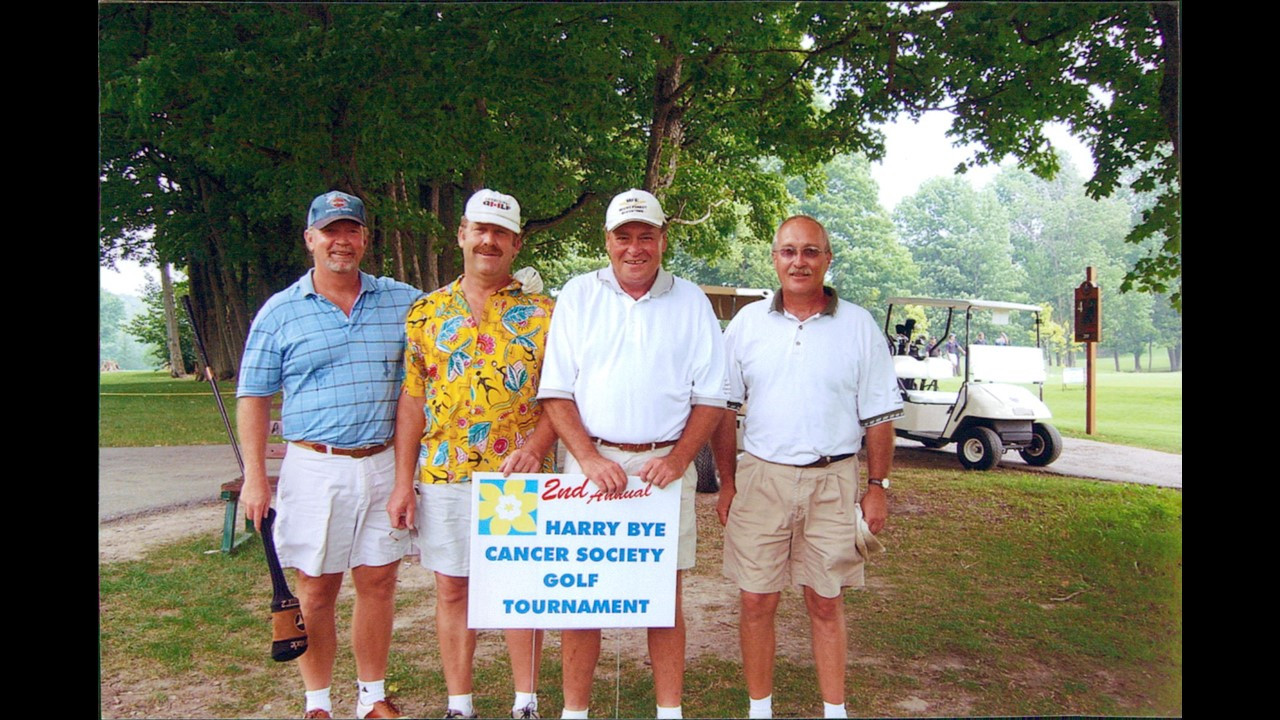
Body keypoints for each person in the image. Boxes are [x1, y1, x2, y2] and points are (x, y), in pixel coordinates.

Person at [537, 189, 728, 720]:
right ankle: (575, 711)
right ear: (607, 240)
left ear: (663, 239)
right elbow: (556, 391)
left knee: (663, 597)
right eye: (624, 236)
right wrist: (590, 458)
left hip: (663, 468)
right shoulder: (577, 295)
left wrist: (679, 458)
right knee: (581, 598)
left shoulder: (691, 301)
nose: (635, 247)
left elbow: (711, 395)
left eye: (647, 236)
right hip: (589, 465)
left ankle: (670, 712)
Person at [237, 190, 423, 719]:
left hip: (384, 462)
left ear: (364, 238)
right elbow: (253, 395)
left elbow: (452, 316)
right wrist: (256, 477)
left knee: (379, 581)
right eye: (330, 231)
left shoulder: (401, 301)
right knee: (316, 590)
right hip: (315, 465)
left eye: (351, 230)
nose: (341, 241)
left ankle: (372, 697)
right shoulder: (280, 311)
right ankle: (317, 704)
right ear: (310, 239)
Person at [710, 215, 902, 719]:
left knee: (826, 600)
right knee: (756, 600)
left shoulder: (858, 325)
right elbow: (724, 412)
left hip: (834, 480)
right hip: (760, 479)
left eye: (811, 251)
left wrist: (877, 485)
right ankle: (760, 709)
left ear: (827, 259)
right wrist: (727, 483)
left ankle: (834, 710)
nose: (799, 261)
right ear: (774, 258)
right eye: (789, 251)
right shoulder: (747, 325)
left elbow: (879, 415)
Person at [388, 189, 556, 720]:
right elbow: (413, 398)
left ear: (516, 242)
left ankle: (525, 701)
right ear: (461, 234)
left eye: (501, 232)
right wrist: (401, 481)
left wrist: (535, 446)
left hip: (517, 476)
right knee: (453, 589)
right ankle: (459, 705)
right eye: (480, 229)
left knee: (517, 588)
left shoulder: (546, 315)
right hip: (445, 474)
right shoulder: (426, 313)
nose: (489, 240)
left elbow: (565, 398)